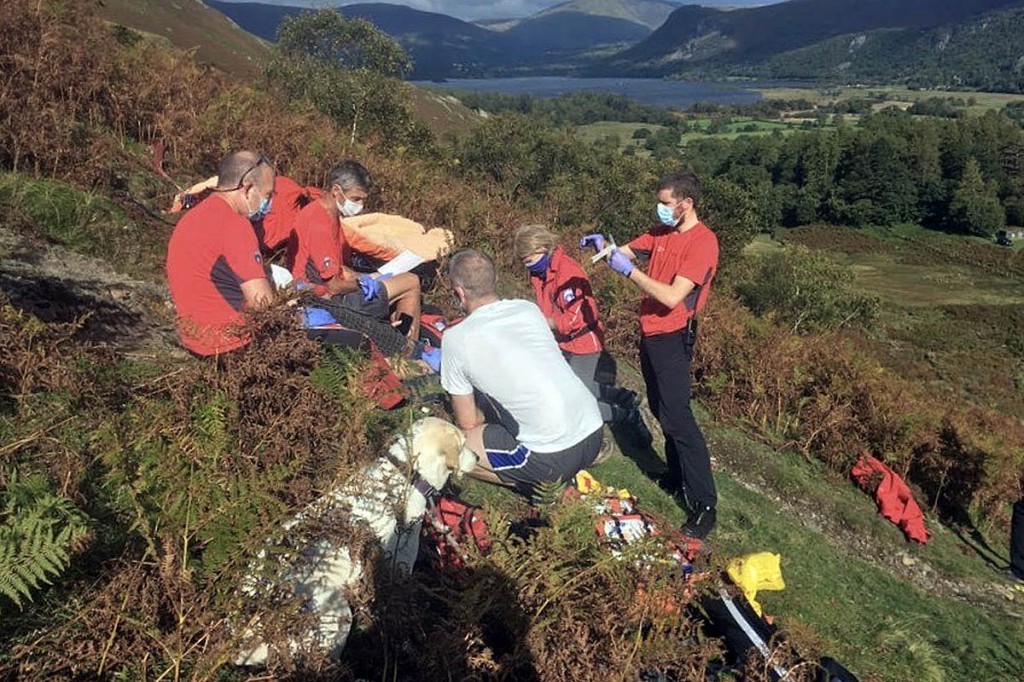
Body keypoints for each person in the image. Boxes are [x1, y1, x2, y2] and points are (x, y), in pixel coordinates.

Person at [583, 170, 719, 539]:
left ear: (686, 204)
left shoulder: (703, 243)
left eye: (665, 203)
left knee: (678, 417)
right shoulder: (660, 234)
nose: (659, 209)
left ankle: (705, 504)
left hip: (674, 336)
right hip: (650, 333)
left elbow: (673, 296)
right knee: (661, 410)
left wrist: (629, 274)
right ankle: (676, 478)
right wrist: (604, 247)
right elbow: (622, 253)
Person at [440, 249, 604, 497]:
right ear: (494, 281)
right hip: (594, 432)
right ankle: (552, 473)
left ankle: (540, 487)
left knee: (453, 448)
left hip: (552, 455)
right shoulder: (527, 309)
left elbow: (468, 422)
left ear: (459, 293)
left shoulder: (455, 339)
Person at [512, 224, 651, 445]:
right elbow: (547, 306)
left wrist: (544, 322)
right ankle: (624, 397)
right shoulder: (539, 274)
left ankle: (625, 416)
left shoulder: (568, 272)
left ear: (543, 248)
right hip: (561, 341)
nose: (527, 266)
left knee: (576, 400)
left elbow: (576, 318)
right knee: (572, 384)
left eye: (529, 260)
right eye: (524, 262)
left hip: (584, 343)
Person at [290, 160, 422, 342]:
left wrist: (367, 277)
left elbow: (336, 267)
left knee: (393, 280)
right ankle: (407, 349)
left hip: (325, 288)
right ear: (336, 191)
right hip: (324, 299)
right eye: (356, 199)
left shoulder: (327, 213)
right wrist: (361, 284)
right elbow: (333, 286)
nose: (360, 205)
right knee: (411, 282)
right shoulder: (320, 225)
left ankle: (395, 337)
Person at [166, 151, 276, 357]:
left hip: (195, 339)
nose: (269, 204)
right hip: (232, 343)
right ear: (247, 188)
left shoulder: (193, 217)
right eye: (268, 195)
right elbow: (263, 306)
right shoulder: (235, 224)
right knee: (339, 342)